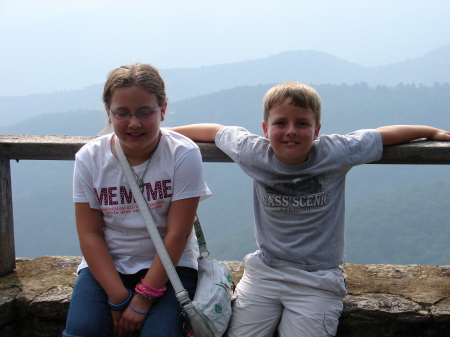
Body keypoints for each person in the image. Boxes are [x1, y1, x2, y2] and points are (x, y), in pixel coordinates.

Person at [169, 81, 450, 337]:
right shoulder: (253, 151)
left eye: (302, 123)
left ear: (316, 131)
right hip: (265, 271)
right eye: (281, 122)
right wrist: (162, 135)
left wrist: (432, 132)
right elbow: (214, 131)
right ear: (265, 129)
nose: (291, 130)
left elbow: (381, 136)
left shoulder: (334, 151)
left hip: (317, 279)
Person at [62, 63, 211, 337]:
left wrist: (143, 298)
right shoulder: (90, 158)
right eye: (122, 113)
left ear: (163, 110)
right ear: (109, 112)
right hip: (109, 262)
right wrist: (118, 297)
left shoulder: (181, 154)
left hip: (170, 265)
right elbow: (90, 234)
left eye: (145, 112)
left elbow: (178, 234)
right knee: (83, 332)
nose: (134, 123)